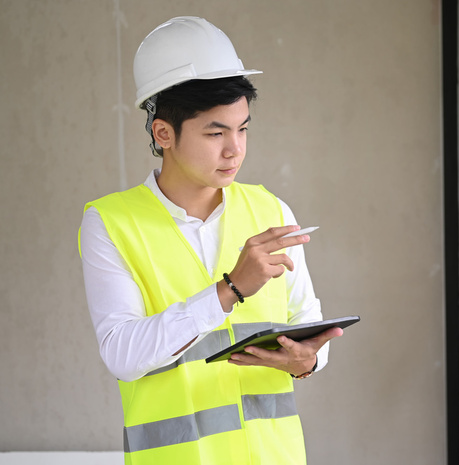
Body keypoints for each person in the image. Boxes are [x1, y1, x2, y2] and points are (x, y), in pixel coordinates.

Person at [79, 16, 342, 465]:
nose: (234, 149)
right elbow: (122, 354)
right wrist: (228, 291)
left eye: (242, 129)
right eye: (216, 132)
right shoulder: (110, 222)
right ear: (164, 134)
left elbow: (309, 321)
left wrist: (308, 361)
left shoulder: (270, 210)